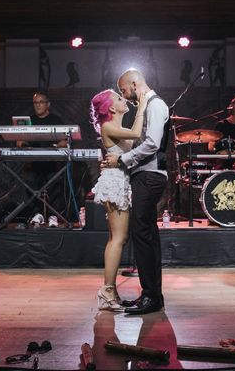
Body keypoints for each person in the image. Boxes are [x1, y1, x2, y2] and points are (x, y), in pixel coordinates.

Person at [105, 69, 169, 315]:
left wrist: (122, 160)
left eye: (123, 90)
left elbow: (152, 143)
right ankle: (152, 295)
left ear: (134, 84)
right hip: (146, 175)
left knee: (142, 233)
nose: (124, 95)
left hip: (150, 175)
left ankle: (151, 296)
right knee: (147, 235)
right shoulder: (149, 105)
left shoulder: (155, 104)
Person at [89, 89, 147, 311]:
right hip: (114, 182)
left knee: (117, 237)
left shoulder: (116, 128)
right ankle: (107, 291)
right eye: (120, 98)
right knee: (118, 238)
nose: (126, 100)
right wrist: (141, 107)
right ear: (112, 108)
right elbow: (137, 133)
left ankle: (109, 291)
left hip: (118, 180)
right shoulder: (108, 127)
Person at [19, 91, 68, 222]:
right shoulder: (29, 121)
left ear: (48, 104)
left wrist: (57, 146)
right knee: (29, 180)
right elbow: (19, 141)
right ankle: (36, 214)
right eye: (35, 103)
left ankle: (53, 215)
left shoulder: (56, 120)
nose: (38, 105)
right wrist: (24, 146)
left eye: (41, 102)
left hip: (52, 161)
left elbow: (65, 141)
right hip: (33, 161)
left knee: (54, 183)